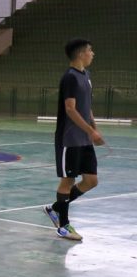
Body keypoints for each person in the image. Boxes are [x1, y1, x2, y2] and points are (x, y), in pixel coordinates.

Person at [43, 38, 103, 241]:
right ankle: (63, 225)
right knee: (68, 181)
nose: (92, 54)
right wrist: (89, 130)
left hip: (84, 139)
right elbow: (70, 109)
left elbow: (87, 106)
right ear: (80, 54)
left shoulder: (86, 75)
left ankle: (56, 208)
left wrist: (94, 129)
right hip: (69, 138)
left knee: (91, 181)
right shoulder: (69, 77)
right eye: (90, 50)